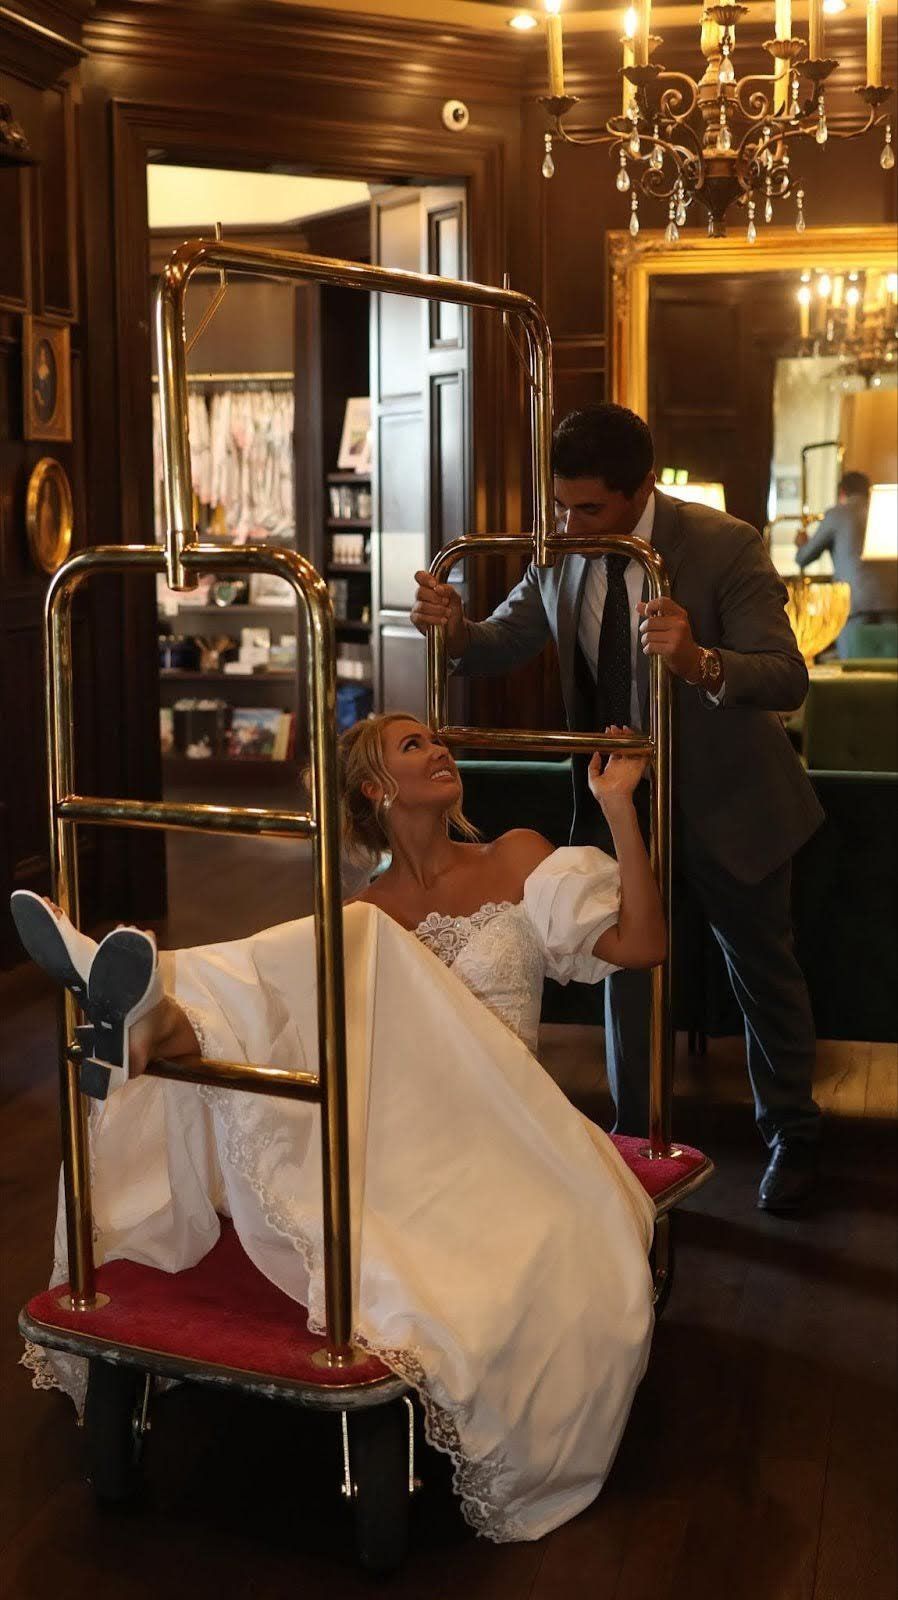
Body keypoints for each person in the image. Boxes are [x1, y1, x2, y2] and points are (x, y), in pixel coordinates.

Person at [14, 713, 668, 1544]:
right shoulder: (363, 907)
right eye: (414, 745)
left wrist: (616, 806)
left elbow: (643, 943)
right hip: (401, 1118)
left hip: (505, 1120)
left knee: (353, 940)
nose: (441, 751)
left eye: (438, 739)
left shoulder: (516, 857)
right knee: (331, 947)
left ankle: (157, 1004)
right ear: (374, 786)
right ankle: (153, 1015)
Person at [411, 403, 824, 1213]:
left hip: (731, 803)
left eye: (589, 508)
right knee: (623, 980)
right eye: (561, 503)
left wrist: (700, 658)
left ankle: (793, 1139)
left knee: (762, 976)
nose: (569, 523)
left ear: (643, 488)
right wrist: (456, 630)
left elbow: (786, 674)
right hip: (615, 809)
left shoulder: (724, 544)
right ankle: (636, 1149)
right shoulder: (560, 549)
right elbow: (501, 641)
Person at [795, 470, 898, 656]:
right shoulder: (885, 511)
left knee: (853, 670)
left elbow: (804, 558)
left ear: (842, 493)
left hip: (854, 605)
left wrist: (802, 543)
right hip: (892, 603)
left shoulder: (837, 514)